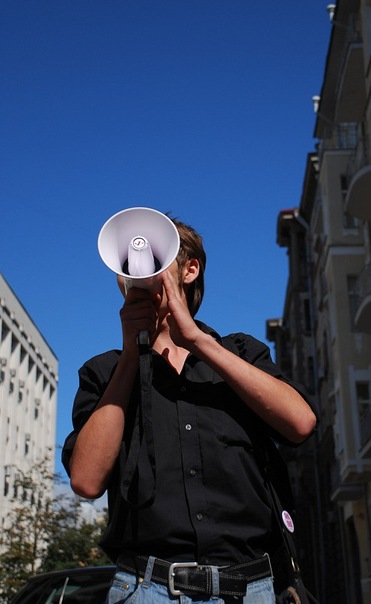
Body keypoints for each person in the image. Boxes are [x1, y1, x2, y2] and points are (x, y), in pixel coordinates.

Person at [62, 216, 318, 604]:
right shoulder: (104, 372)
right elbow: (85, 480)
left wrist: (197, 341)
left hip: (250, 588)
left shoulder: (240, 352)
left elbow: (301, 422)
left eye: (157, 257)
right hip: (147, 588)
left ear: (190, 269)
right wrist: (132, 355)